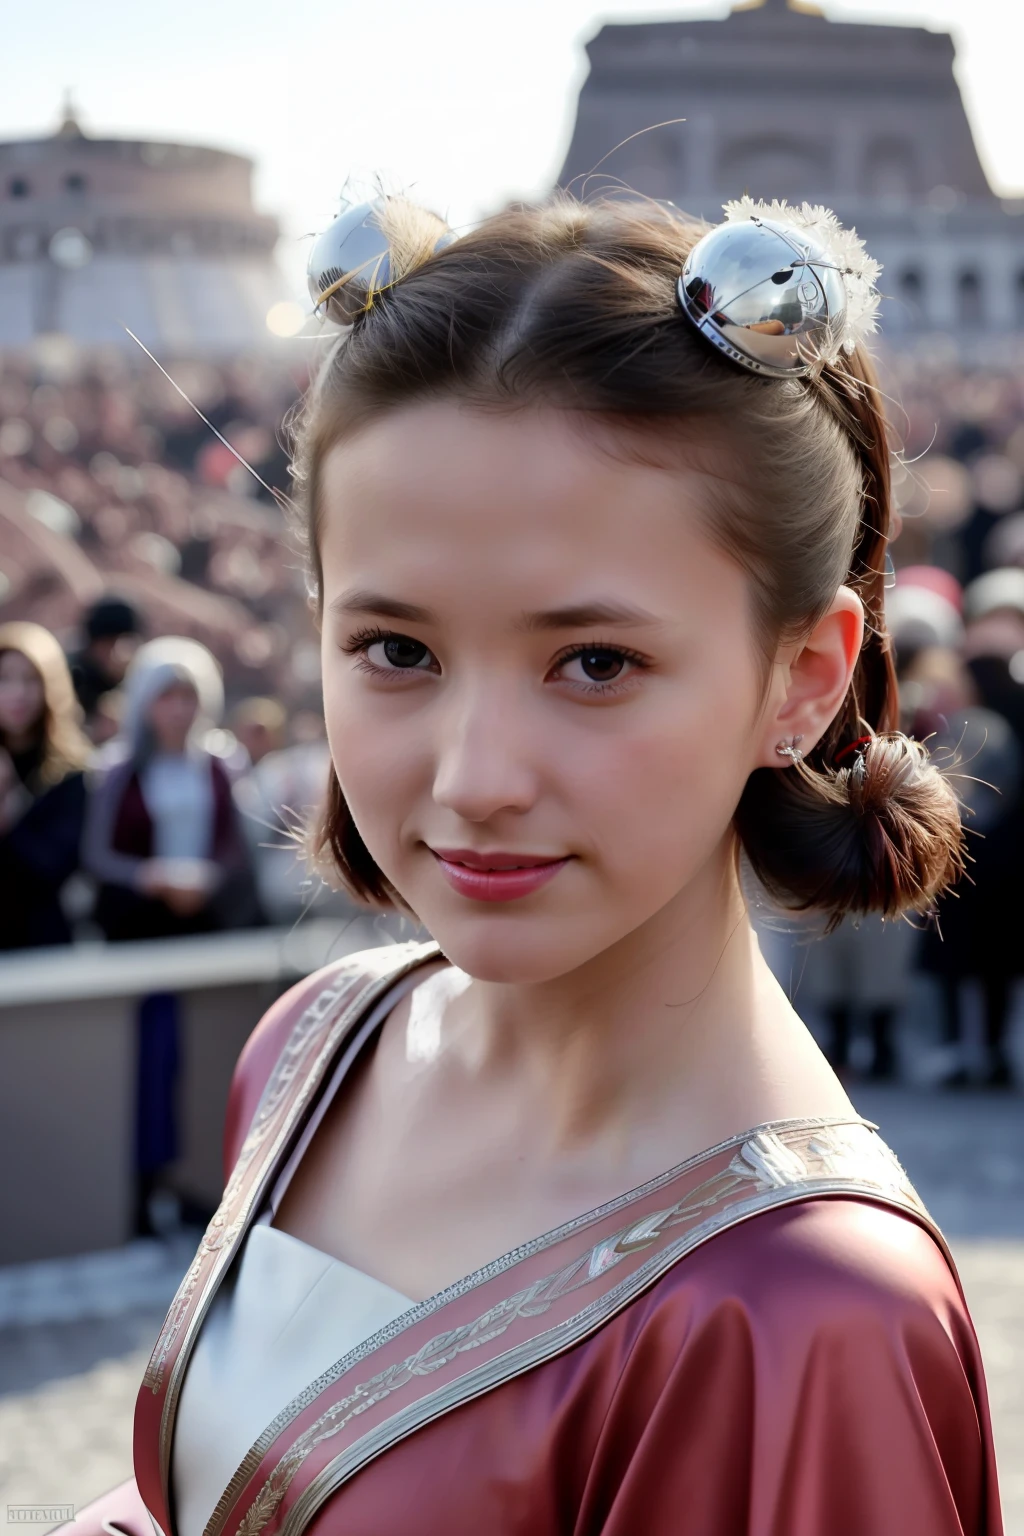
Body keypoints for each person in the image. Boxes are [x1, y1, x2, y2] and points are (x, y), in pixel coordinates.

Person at [69, 197, 1002, 1535]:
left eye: (595, 664)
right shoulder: (313, 1050)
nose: (472, 777)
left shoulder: (803, 1309)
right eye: (396, 650)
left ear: (802, 680)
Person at [82, 635, 263, 941]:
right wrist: (148, 876)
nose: (178, 709)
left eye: (188, 696)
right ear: (144, 700)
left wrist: (210, 877)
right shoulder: (116, 770)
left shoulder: (225, 764)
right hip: (136, 925)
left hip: (213, 920)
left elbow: (242, 846)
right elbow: (97, 855)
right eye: (166, 697)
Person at [0, 622, 90, 948]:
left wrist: (7, 808)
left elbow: (51, 869)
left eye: (30, 680)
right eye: (5, 679)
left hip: (44, 946)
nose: (17, 693)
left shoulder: (72, 774)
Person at [67, 594, 142, 741]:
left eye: (123, 643)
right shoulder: (73, 678)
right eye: (108, 644)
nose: (116, 652)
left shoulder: (140, 680)